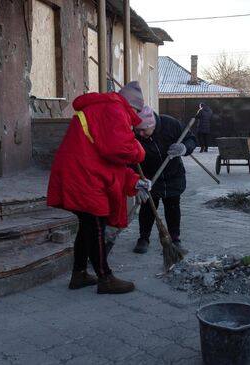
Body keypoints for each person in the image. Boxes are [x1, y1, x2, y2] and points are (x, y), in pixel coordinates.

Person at [47, 81, 152, 294]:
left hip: (82, 172)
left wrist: (134, 180)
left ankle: (79, 274)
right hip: (84, 177)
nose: (133, 123)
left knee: (87, 227)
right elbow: (118, 150)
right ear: (133, 107)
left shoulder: (103, 107)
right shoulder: (115, 109)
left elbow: (107, 159)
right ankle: (106, 278)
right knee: (96, 227)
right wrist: (140, 151)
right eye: (136, 113)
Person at [133, 105, 197, 254]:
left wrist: (184, 148)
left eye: (143, 130)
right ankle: (143, 238)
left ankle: (175, 239)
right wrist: (136, 182)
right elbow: (129, 161)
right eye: (137, 130)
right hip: (148, 177)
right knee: (148, 207)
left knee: (173, 207)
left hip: (173, 175)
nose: (140, 134)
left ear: (152, 125)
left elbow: (191, 139)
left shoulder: (170, 124)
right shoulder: (134, 135)